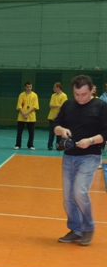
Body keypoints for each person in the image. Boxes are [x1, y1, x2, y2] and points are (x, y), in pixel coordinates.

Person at [52, 75, 107, 246]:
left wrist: (90, 140)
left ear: (91, 90)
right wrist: (61, 130)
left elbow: (105, 133)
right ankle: (76, 230)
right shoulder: (68, 105)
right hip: (69, 156)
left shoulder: (101, 106)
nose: (80, 98)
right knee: (68, 199)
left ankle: (88, 227)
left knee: (79, 192)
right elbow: (55, 125)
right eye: (77, 94)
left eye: (84, 94)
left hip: (90, 156)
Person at [15, 82, 39, 150]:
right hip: (21, 117)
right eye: (28, 87)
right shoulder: (21, 95)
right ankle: (18, 145)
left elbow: (35, 106)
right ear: (25, 87)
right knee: (19, 132)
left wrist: (27, 113)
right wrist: (23, 114)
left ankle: (30, 145)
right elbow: (19, 106)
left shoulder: (35, 95)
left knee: (31, 132)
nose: (29, 88)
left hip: (31, 117)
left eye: (30, 87)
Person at [47, 82, 68, 150]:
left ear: (58, 88)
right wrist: (58, 105)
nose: (53, 88)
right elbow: (51, 105)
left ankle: (58, 145)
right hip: (51, 116)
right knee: (51, 132)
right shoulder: (53, 95)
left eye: (54, 87)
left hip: (60, 118)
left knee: (59, 132)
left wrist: (56, 115)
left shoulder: (64, 96)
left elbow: (62, 107)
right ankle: (50, 145)